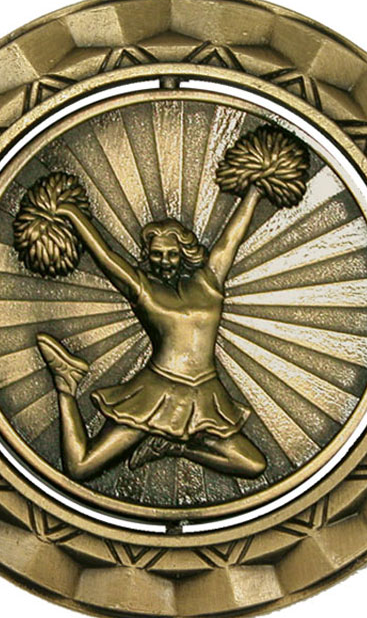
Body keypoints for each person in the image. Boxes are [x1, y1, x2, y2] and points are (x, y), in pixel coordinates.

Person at [36, 187, 267, 481]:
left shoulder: (209, 281)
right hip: (156, 390)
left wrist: (255, 192)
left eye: (172, 254)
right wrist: (72, 213)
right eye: (157, 254)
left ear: (184, 253)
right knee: (81, 467)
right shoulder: (142, 288)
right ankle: (66, 383)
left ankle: (172, 447)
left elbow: (230, 239)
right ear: (148, 256)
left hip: (205, 392)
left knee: (253, 465)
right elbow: (105, 255)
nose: (165, 261)